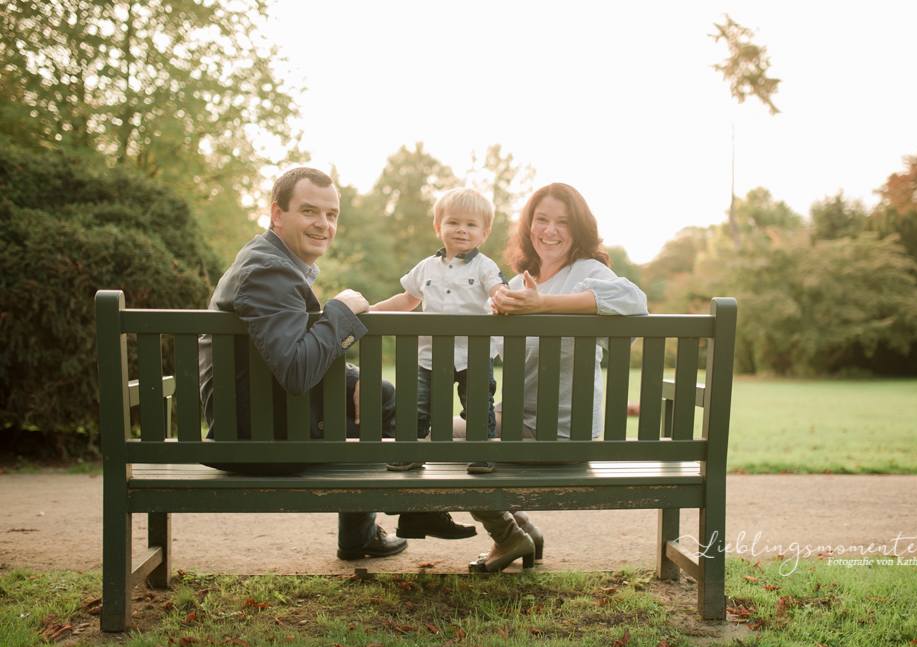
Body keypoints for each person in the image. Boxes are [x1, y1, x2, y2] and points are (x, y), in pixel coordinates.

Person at [197, 167, 476, 562]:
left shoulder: (270, 262)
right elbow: (295, 371)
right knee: (385, 408)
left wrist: (354, 377)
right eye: (310, 211)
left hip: (258, 418)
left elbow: (282, 354)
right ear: (277, 213)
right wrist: (341, 312)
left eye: (331, 215)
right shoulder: (268, 273)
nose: (323, 224)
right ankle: (397, 517)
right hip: (257, 438)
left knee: (379, 392)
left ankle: (386, 523)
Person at [463, 182, 649, 572]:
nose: (550, 230)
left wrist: (542, 305)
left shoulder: (587, 272)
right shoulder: (516, 285)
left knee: (450, 447)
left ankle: (509, 535)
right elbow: (484, 351)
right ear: (528, 225)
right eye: (542, 219)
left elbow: (634, 301)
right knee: (434, 436)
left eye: (562, 222)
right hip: (516, 422)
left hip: (562, 432)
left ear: (578, 229)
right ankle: (522, 530)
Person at [370, 187, 507, 474]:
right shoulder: (425, 268)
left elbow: (498, 290)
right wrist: (372, 310)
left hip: (474, 355)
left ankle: (482, 451)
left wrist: (504, 299)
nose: (461, 230)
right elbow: (406, 299)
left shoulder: (485, 267)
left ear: (484, 234)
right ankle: (413, 451)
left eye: (471, 225)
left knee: (479, 406)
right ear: (438, 227)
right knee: (419, 405)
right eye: (453, 222)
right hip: (430, 356)